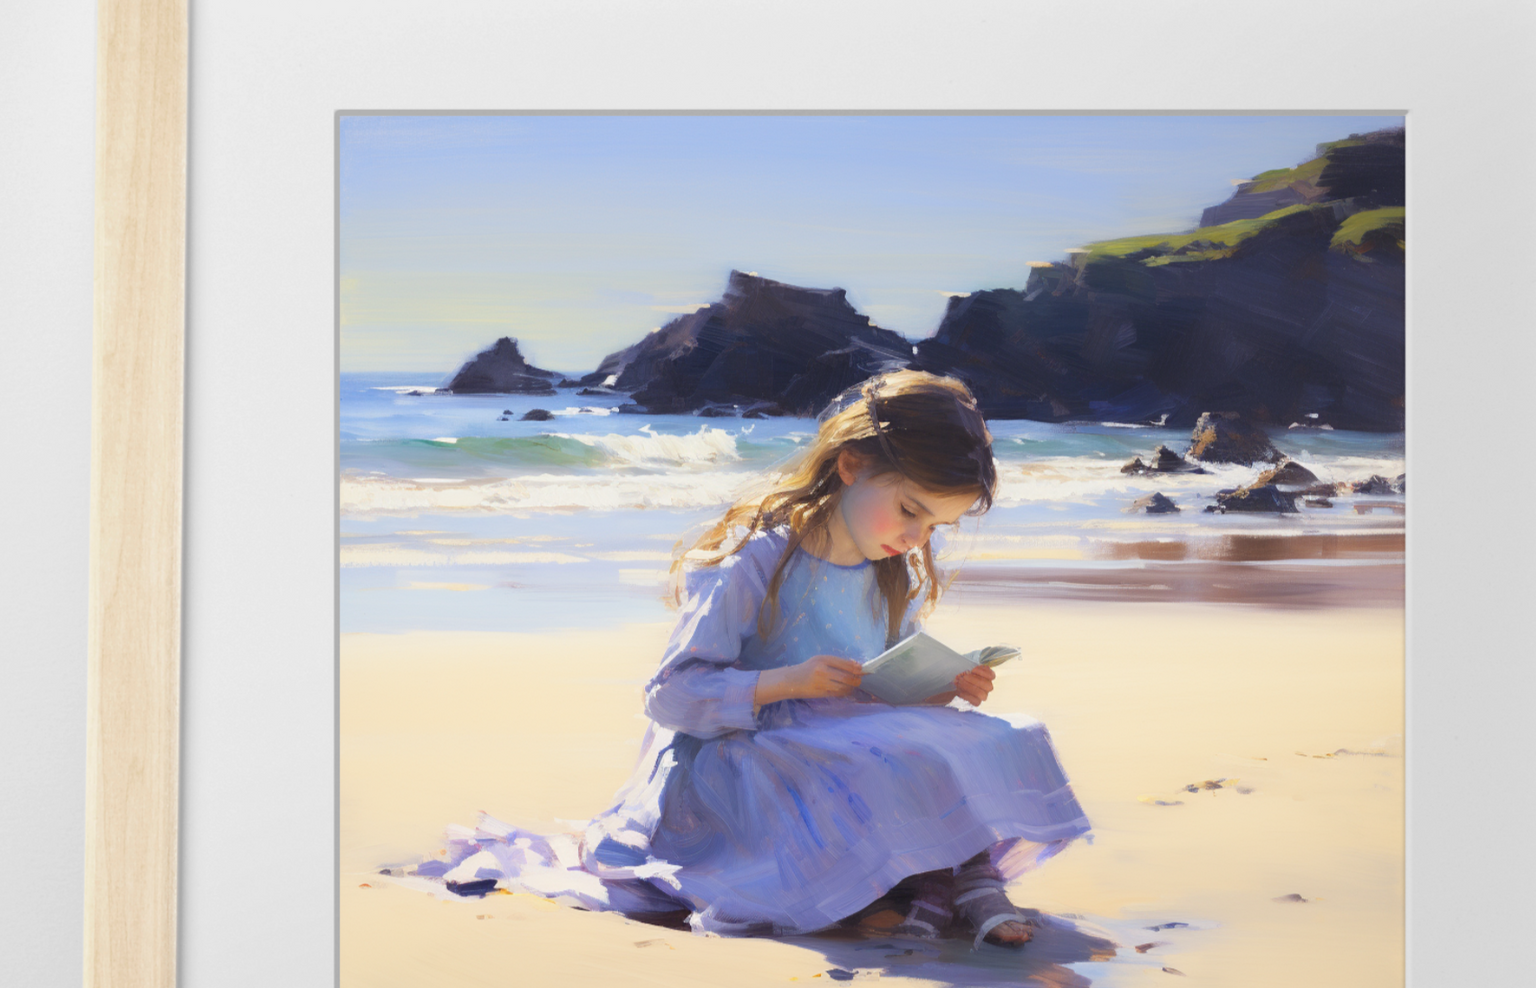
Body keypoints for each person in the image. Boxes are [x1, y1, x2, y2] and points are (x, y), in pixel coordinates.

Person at [430, 371, 1092, 946]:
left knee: (1004, 735)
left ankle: (961, 886)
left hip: (842, 738)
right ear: (852, 466)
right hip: (741, 753)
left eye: (934, 527)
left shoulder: (887, 572)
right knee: (895, 759)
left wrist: (945, 685)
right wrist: (785, 681)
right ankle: (932, 889)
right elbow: (671, 695)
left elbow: (883, 691)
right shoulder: (756, 559)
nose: (917, 538)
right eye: (910, 511)